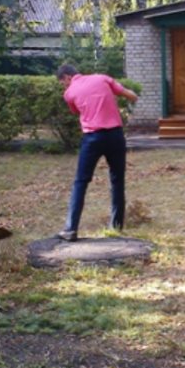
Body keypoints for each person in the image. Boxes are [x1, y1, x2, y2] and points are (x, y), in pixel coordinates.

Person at [55, 63, 139, 241]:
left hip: (92, 138)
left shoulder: (69, 93)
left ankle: (70, 229)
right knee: (117, 180)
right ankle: (116, 226)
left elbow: (76, 110)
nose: (65, 86)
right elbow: (129, 94)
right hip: (115, 135)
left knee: (81, 182)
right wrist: (133, 96)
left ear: (67, 78)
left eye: (63, 83)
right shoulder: (102, 78)